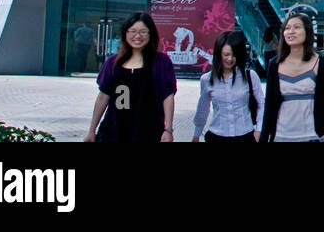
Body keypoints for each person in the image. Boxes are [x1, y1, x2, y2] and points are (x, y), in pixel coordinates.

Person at [260, 10, 324, 142]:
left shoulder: (322, 64)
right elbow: (269, 105)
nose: (291, 31)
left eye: (297, 27)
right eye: (287, 28)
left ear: (308, 32)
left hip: (313, 136)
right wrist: (264, 137)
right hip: (281, 136)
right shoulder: (274, 65)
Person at [86, 12, 177, 142]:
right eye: (132, 31)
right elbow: (103, 97)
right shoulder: (113, 62)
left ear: (151, 34)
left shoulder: (161, 62)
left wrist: (168, 129)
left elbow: (168, 96)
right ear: (125, 33)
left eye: (143, 32)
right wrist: (91, 130)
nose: (137, 36)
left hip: (149, 130)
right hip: (114, 131)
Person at [192, 30, 264, 143]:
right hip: (217, 136)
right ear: (218, 53)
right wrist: (196, 134)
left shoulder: (250, 76)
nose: (230, 59)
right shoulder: (207, 79)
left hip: (245, 136)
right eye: (226, 54)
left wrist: (259, 130)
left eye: (234, 55)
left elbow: (262, 104)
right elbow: (202, 109)